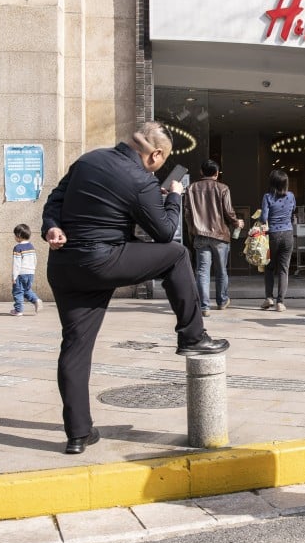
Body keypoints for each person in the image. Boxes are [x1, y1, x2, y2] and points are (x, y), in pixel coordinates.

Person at [42, 121, 229, 455]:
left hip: (64, 266)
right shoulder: (141, 180)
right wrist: (173, 197)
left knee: (74, 347)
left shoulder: (88, 160)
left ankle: (78, 434)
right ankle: (192, 335)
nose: (158, 169)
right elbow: (164, 232)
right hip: (102, 261)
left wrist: (52, 227)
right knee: (176, 254)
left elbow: (55, 198)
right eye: (161, 162)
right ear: (155, 154)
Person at [184, 159, 244, 317]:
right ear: (217, 173)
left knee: (202, 271)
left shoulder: (191, 188)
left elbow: (188, 214)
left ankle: (204, 307)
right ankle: (222, 301)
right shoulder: (223, 188)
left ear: (201, 172)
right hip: (220, 235)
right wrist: (236, 222)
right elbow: (228, 211)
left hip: (200, 235)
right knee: (221, 270)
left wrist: (192, 232)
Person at [260, 169, 296, 311]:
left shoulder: (268, 197)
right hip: (288, 233)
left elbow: (264, 218)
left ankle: (269, 297)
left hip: (272, 235)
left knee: (269, 268)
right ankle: (280, 302)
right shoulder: (291, 196)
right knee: (283, 269)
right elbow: (292, 211)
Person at [10, 223, 42, 316]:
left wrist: (14, 276)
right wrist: (32, 270)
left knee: (18, 291)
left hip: (21, 273)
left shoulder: (18, 247)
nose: (14, 237)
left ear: (19, 236)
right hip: (30, 273)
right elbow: (35, 260)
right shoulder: (31, 246)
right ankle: (36, 300)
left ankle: (18, 310)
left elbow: (17, 264)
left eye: (15, 235)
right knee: (27, 290)